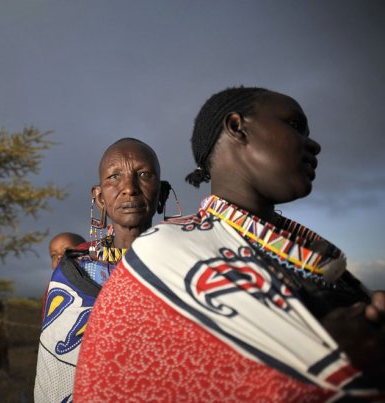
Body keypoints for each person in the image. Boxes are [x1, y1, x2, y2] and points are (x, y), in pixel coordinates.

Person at [74, 87, 385, 401]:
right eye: (294, 125)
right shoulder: (165, 253)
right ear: (237, 127)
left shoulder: (310, 256)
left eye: (143, 175)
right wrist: (329, 365)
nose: (314, 145)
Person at [34, 138, 175, 402]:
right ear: (99, 198)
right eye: (114, 177)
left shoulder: (186, 267)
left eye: (143, 175)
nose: (129, 189)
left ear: (163, 194)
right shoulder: (71, 274)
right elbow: (52, 367)